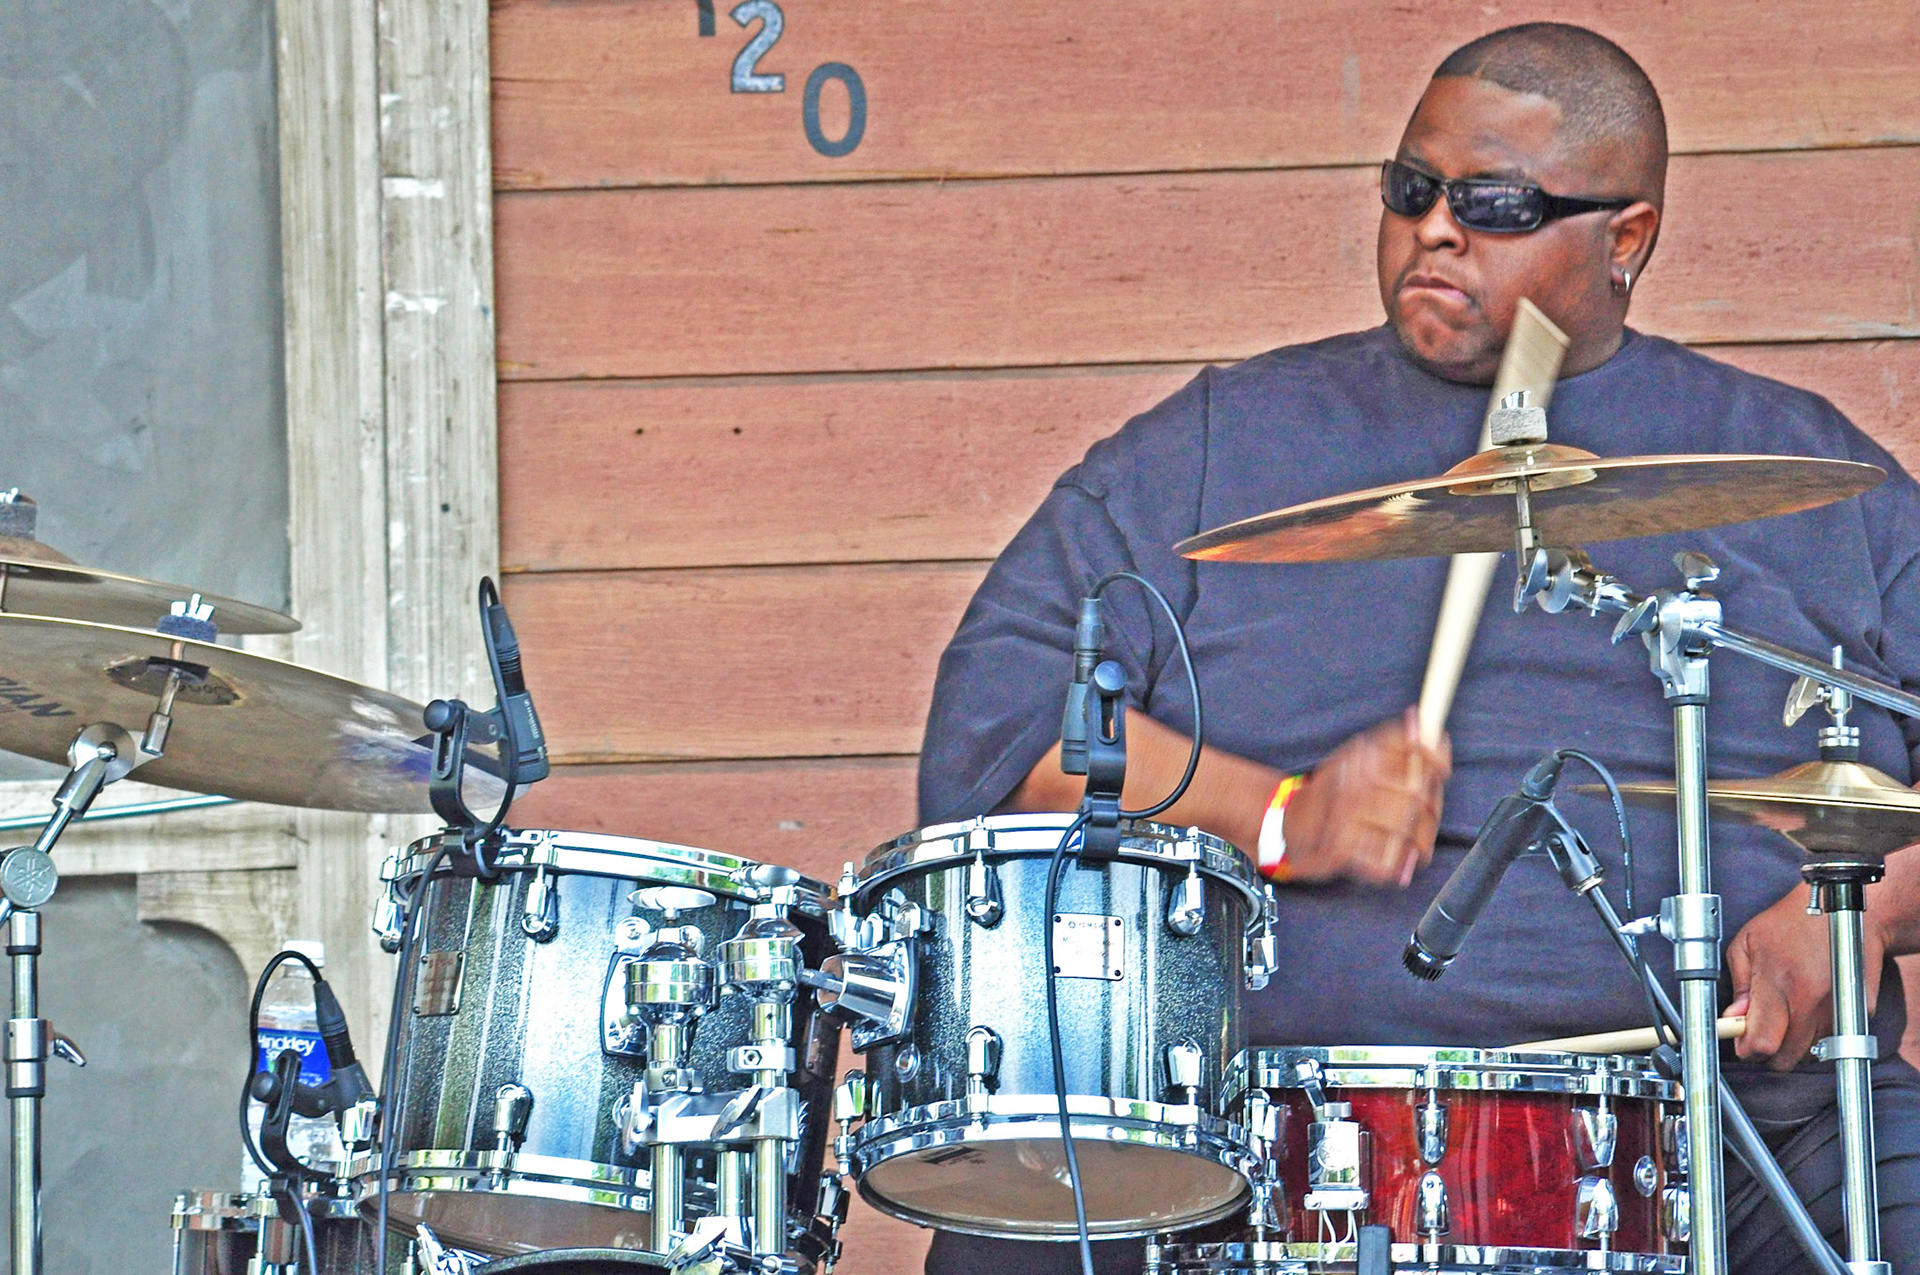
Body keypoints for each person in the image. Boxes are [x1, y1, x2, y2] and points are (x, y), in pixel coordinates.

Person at [916, 22, 1920, 1275]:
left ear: (1627, 239)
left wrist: (1856, 912)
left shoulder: (1812, 481)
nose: (1436, 230)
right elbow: (996, 739)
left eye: (1496, 206)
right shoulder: (1217, 449)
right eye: (1411, 190)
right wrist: (1281, 815)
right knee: (1014, 1241)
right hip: (1274, 1139)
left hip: (1737, 1124)